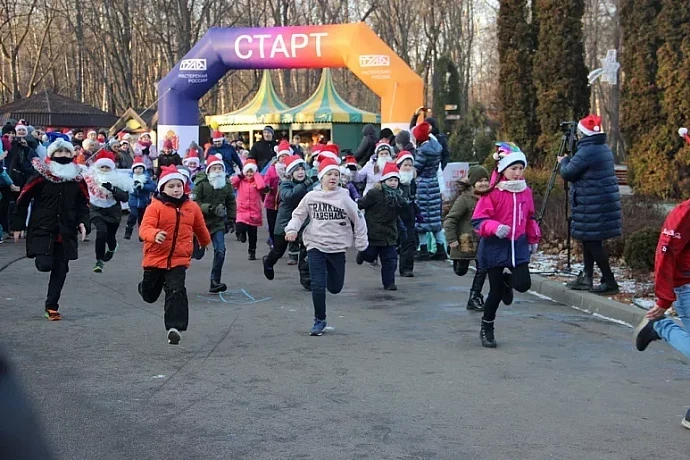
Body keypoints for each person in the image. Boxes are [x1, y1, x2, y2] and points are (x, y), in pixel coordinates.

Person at [285, 157, 368, 336]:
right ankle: (319, 320)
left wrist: (361, 242)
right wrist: (292, 229)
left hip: (337, 247)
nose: (333, 177)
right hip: (315, 244)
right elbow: (298, 215)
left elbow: (359, 220)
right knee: (317, 284)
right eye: (329, 174)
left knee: (335, 287)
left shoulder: (344, 199)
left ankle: (330, 279)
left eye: (336, 174)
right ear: (321, 177)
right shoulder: (311, 197)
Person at [11, 139, 89, 320]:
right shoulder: (41, 175)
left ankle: (51, 306)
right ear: (52, 155)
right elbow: (23, 199)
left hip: (66, 229)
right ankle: (44, 263)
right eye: (59, 153)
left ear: (72, 155)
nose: (63, 156)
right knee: (45, 264)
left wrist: (83, 222)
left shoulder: (77, 178)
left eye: (66, 153)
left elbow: (83, 203)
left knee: (61, 269)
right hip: (42, 227)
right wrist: (18, 224)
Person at [471, 142, 540, 348]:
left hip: (517, 245)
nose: (518, 173)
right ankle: (487, 328)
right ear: (503, 170)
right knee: (495, 292)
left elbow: (529, 217)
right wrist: (494, 227)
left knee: (523, 284)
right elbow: (478, 221)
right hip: (495, 247)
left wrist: (533, 237)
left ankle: (509, 282)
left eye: (521, 168)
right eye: (513, 169)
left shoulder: (525, 191)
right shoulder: (492, 193)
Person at [138, 166, 211, 345]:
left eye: (179, 185)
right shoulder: (155, 207)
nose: (176, 189)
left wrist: (205, 242)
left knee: (176, 289)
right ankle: (144, 287)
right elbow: (144, 229)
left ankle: (174, 328)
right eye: (171, 186)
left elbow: (200, 227)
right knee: (149, 295)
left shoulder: (192, 207)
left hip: (179, 258)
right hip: (155, 257)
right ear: (162, 188)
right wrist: (154, 234)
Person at [559, 114, 622, 295]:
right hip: (597, 203)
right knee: (589, 240)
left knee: (593, 243)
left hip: (592, 205)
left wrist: (563, 160)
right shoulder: (602, 147)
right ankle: (587, 278)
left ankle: (610, 281)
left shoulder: (587, 151)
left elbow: (568, 173)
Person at [263, 154, 315, 288]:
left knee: (305, 250)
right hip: (285, 223)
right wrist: (305, 185)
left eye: (302, 169)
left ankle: (306, 278)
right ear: (291, 173)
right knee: (278, 251)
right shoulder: (285, 184)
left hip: (304, 223)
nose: (300, 172)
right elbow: (289, 197)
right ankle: (268, 263)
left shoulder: (308, 183)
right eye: (297, 170)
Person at [443, 165, 490, 311]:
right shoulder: (465, 199)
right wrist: (451, 239)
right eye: (479, 181)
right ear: (472, 182)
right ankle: (456, 259)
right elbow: (450, 220)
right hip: (465, 241)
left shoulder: (490, 197)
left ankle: (474, 296)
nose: (483, 184)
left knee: (483, 268)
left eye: (485, 180)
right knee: (460, 271)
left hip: (484, 241)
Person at [356, 162, 409, 291]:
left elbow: (402, 213)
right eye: (390, 180)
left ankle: (389, 283)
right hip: (373, 232)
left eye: (396, 180)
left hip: (389, 234)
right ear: (384, 181)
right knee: (370, 255)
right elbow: (361, 204)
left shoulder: (398, 196)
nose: (393, 183)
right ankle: (362, 254)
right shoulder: (375, 193)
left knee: (390, 260)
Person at [193, 154, 237, 293]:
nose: (217, 171)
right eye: (214, 168)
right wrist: (210, 208)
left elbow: (231, 201)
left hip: (218, 223)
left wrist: (231, 218)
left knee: (220, 251)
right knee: (196, 254)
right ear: (209, 170)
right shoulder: (201, 184)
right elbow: (194, 203)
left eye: (220, 168)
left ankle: (215, 280)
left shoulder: (226, 184)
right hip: (201, 222)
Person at [84, 150, 132, 273]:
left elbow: (125, 197)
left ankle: (112, 247)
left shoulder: (118, 179)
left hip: (112, 212)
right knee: (101, 232)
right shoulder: (89, 178)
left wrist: (113, 189)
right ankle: (99, 260)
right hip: (95, 209)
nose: (104, 169)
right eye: (102, 167)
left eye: (107, 167)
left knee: (110, 237)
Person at [412, 121, 446, 261]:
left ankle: (423, 249)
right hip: (434, 184)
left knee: (421, 220)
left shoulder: (423, 151)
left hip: (422, 187)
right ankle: (441, 248)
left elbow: (416, 169)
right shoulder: (436, 148)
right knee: (435, 219)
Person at [231, 159, 266, 260]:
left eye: (252, 172)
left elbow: (261, 186)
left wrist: (257, 175)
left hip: (254, 211)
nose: (249, 174)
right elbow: (232, 182)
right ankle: (241, 234)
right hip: (242, 209)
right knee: (240, 226)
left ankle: (252, 251)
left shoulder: (257, 181)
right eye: (248, 172)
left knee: (253, 235)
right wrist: (240, 176)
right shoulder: (241, 181)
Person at [263, 140, 292, 248]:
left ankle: (283, 242)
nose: (283, 158)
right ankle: (273, 241)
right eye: (282, 156)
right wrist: (266, 187)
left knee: (284, 223)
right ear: (278, 157)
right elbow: (266, 179)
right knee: (272, 224)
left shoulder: (291, 169)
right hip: (272, 201)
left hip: (285, 202)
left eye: (286, 155)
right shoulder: (272, 168)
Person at [396, 152, 418, 277]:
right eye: (405, 165)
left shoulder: (412, 182)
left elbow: (413, 199)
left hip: (408, 214)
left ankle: (406, 268)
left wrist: (417, 212)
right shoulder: (394, 181)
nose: (408, 168)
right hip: (395, 213)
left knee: (409, 240)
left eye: (410, 165)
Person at [124, 158, 156, 240]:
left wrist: (143, 186)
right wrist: (134, 187)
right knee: (133, 215)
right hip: (133, 201)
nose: (138, 170)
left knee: (142, 219)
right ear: (133, 169)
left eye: (140, 168)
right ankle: (128, 230)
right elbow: (127, 188)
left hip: (143, 202)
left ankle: (141, 234)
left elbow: (153, 187)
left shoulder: (147, 178)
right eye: (136, 168)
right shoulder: (130, 178)